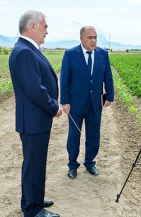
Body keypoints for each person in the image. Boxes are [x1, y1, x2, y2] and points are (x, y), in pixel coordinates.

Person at [9, 11, 62, 217]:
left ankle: (33, 200)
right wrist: (54, 107)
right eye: (45, 27)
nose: (47, 31)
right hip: (33, 119)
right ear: (33, 26)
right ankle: (33, 210)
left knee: (34, 162)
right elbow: (35, 89)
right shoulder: (24, 52)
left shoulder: (28, 49)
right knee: (33, 164)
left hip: (36, 119)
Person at [60, 26, 114, 179]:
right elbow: (64, 80)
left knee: (93, 135)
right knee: (74, 136)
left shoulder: (103, 54)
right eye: (89, 37)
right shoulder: (70, 54)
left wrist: (109, 95)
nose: (93, 40)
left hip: (94, 103)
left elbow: (107, 76)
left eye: (95, 37)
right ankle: (72, 165)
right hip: (75, 104)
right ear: (81, 38)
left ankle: (90, 163)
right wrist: (64, 101)